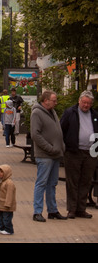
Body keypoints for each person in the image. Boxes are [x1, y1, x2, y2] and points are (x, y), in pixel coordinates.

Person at [60, 90, 98, 219]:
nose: (86, 105)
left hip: (91, 152)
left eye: (89, 103)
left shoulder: (95, 115)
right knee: (72, 181)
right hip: (73, 152)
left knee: (86, 181)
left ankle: (81, 208)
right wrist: (65, 147)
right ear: (79, 101)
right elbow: (62, 130)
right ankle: (72, 209)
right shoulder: (70, 113)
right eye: (84, 102)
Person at [30, 90, 66, 222]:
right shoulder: (37, 113)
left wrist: (61, 146)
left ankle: (52, 210)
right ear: (46, 101)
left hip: (55, 154)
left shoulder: (52, 112)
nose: (56, 103)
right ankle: (37, 212)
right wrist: (50, 148)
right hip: (45, 155)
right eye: (54, 100)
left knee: (52, 183)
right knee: (42, 183)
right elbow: (35, 135)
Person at [0, 164, 16, 235]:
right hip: (1, 205)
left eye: (1, 172)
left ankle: (9, 229)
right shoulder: (3, 182)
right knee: (1, 217)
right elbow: (0, 192)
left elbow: (9, 195)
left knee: (6, 218)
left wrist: (8, 204)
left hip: (6, 205)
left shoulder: (9, 183)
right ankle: (2, 227)